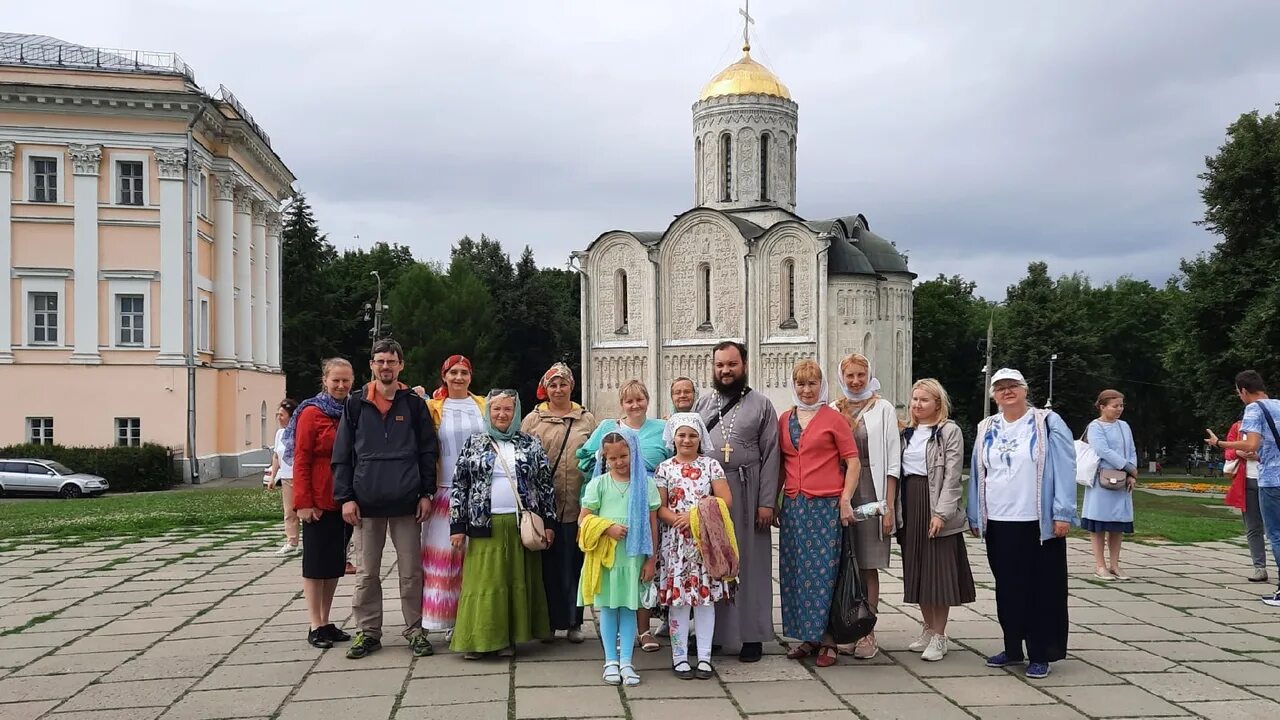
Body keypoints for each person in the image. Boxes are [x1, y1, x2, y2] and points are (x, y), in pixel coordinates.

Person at [333, 338, 440, 660]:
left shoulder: (413, 404)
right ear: (371, 365)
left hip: (407, 502)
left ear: (401, 366)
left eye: (391, 362)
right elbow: (342, 456)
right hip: (366, 504)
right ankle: (369, 632)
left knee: (411, 572)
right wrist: (346, 498)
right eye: (380, 361)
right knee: (366, 573)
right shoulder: (354, 405)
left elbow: (427, 450)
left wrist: (426, 493)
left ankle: (415, 630)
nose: (385, 367)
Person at [967, 368, 1076, 680]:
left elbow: (1066, 468)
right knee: (1008, 589)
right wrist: (975, 514)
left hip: (1036, 522)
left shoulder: (1046, 422)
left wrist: (1062, 513)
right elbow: (978, 473)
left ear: (1025, 390)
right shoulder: (986, 426)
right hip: (1000, 521)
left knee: (1040, 589)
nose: (1007, 391)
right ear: (994, 395)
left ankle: (1040, 652)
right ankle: (1013, 647)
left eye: (1013, 386)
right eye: (1000, 388)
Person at [451, 389, 556, 658]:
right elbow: (460, 485)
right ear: (488, 412)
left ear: (516, 412)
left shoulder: (529, 443)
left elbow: (544, 485)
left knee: (513, 584)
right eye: (496, 409)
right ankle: (479, 641)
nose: (502, 414)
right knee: (484, 585)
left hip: (521, 526)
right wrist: (457, 527)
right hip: (483, 524)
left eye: (508, 409)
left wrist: (549, 523)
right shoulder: (474, 443)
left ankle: (508, 639)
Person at [694, 341, 780, 663]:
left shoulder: (762, 405)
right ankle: (712, 635)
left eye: (731, 365)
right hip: (710, 494)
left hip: (749, 489)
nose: (725, 371)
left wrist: (767, 503)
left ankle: (752, 635)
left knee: (751, 563)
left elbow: (772, 455)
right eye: (720, 365)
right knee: (712, 561)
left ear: (744, 365)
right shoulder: (704, 403)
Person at [577, 379, 671, 651]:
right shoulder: (609, 429)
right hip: (614, 499)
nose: (635, 405)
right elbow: (586, 458)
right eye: (629, 401)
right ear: (622, 404)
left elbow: (675, 456)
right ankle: (618, 633)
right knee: (618, 576)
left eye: (639, 399)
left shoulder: (661, 428)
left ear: (647, 400)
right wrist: (600, 467)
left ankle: (644, 631)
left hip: (648, 499)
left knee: (641, 571)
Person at [778, 360, 858, 668]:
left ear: (821, 385)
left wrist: (845, 499)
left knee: (823, 573)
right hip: (794, 506)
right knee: (796, 571)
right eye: (801, 383)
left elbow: (852, 462)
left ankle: (828, 640)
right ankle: (806, 636)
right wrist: (774, 502)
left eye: (812, 383)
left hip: (825, 506)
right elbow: (779, 463)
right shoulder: (785, 419)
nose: (806, 389)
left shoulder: (833, 419)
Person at [521, 362, 598, 643]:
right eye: (553, 384)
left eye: (563, 384)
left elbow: (595, 457)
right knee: (548, 567)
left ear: (571, 386)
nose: (558, 389)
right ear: (546, 388)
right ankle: (549, 622)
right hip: (544, 505)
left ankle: (575, 621)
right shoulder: (533, 420)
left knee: (575, 564)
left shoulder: (586, 419)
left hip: (577, 503)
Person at [411, 354, 486, 639]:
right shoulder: (433, 407)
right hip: (444, 490)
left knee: (472, 557)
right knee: (443, 557)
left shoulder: (482, 405)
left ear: (471, 376)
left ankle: (468, 617)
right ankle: (440, 617)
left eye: (464, 373)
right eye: (453, 372)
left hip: (478, 492)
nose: (458, 378)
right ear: (444, 376)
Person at [830, 353, 900, 659]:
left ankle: (867, 631)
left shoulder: (882, 408)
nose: (855, 381)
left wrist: (890, 505)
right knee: (845, 563)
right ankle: (847, 626)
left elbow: (893, 462)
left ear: (869, 375)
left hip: (872, 488)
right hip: (842, 486)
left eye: (861, 375)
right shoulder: (834, 408)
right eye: (850, 376)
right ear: (842, 378)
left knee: (868, 564)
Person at [655, 412, 734, 679]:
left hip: (705, 540)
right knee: (679, 601)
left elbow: (724, 500)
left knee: (704, 600)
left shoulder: (711, 466)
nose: (686, 440)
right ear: (673, 438)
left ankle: (703, 657)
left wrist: (695, 518)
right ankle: (679, 657)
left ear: (700, 438)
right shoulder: (665, 468)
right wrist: (677, 519)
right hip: (676, 543)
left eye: (692, 435)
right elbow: (660, 507)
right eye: (682, 435)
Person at [899, 379, 974, 662]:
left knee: (938, 571)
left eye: (924, 400)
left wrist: (941, 513)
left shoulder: (948, 432)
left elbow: (953, 477)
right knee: (917, 568)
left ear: (938, 404)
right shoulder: (908, 432)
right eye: (915, 399)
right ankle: (928, 628)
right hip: (911, 500)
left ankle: (941, 635)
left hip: (934, 501)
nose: (918, 405)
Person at [579, 430, 660, 686]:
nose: (619, 462)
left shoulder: (645, 484)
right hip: (608, 557)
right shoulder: (599, 484)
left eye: (624, 456)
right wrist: (606, 527)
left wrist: (651, 559)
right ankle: (610, 661)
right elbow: (583, 519)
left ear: (633, 453)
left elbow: (653, 523)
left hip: (633, 557)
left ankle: (626, 661)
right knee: (609, 608)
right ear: (605, 458)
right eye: (612, 458)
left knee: (628, 607)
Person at [288, 358, 355, 649]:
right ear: (324, 381)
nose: (341, 386)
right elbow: (300, 459)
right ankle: (314, 623)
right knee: (315, 565)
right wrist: (302, 502)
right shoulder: (311, 413)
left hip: (344, 498)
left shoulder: (353, 410)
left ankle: (327, 620)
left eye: (346, 380)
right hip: (317, 497)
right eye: (335, 380)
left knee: (334, 564)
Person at [1206, 370, 1280, 605]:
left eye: (1239, 393)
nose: (1240, 397)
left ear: (1244, 390)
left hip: (1270, 479)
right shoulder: (1278, 405)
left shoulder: (1254, 409)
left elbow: (1251, 443)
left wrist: (1220, 443)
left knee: (1276, 534)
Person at [1081, 389, 1138, 581]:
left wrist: (1131, 473)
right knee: (1099, 525)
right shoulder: (1095, 427)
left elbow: (1131, 449)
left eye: (1121, 405)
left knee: (1117, 525)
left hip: (1122, 480)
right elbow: (1103, 450)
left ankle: (1115, 564)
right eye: (1115, 406)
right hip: (1102, 479)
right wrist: (1127, 466)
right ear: (1102, 407)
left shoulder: (1124, 426)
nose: (1119, 409)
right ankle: (1100, 565)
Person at [1224, 414, 1268, 582]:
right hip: (1247, 481)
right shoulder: (1238, 427)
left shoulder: (1272, 425)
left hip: (1270, 482)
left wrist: (1259, 456)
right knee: (1253, 527)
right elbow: (1228, 451)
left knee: (1273, 529)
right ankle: (1259, 567)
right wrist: (1238, 452)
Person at [266, 397, 300, 556]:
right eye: (277, 414)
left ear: (291, 416)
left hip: (300, 476)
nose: (279, 418)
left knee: (306, 510)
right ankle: (292, 542)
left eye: (282, 414)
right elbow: (276, 456)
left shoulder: (299, 431)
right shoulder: (280, 434)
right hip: (286, 477)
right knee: (289, 512)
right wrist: (273, 476)